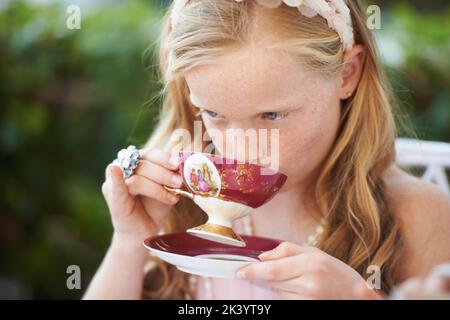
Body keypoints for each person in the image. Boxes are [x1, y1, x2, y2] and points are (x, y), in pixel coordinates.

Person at [84, 0, 450, 299]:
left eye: (272, 115)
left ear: (347, 73)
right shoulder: (177, 206)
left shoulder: (417, 216)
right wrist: (130, 242)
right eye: (213, 113)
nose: (241, 150)